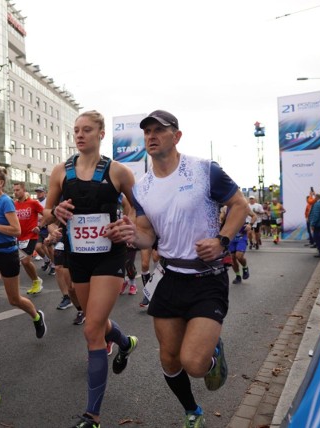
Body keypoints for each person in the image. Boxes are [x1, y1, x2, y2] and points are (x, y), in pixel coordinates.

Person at [113, 110, 248, 428]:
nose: (151, 136)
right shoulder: (142, 188)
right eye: (147, 132)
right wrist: (133, 235)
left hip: (207, 278)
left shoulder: (204, 171)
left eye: (159, 130)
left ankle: (213, 350)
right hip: (170, 278)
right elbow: (147, 235)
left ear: (177, 135)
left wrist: (222, 240)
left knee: (195, 364)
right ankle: (192, 410)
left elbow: (239, 204)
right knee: (169, 359)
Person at [47, 110, 138, 428]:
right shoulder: (61, 171)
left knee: (91, 328)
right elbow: (46, 213)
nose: (80, 134)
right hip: (78, 257)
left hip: (109, 257)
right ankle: (125, 342)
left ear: (101, 134)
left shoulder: (118, 171)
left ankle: (92, 416)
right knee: (95, 319)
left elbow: (138, 207)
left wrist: (128, 225)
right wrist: (54, 212)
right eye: (76, 130)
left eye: (87, 130)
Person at [0, 166, 47, 361]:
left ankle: (36, 316)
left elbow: (15, 230)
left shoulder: (6, 201)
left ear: (0, 183)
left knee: (14, 299)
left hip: (7, 255)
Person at [13, 181, 47, 295]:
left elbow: (46, 215)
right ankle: (36, 281)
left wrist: (39, 226)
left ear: (24, 190)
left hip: (31, 236)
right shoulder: (14, 204)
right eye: (14, 190)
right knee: (24, 262)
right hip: (19, 237)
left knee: (25, 260)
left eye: (18, 190)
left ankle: (37, 282)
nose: (15, 192)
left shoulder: (33, 203)